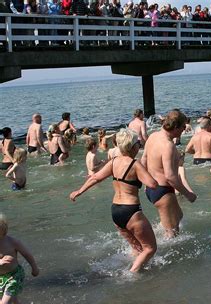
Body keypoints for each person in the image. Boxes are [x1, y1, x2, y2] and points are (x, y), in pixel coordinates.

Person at [70, 129, 158, 273]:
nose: (139, 145)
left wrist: (79, 191)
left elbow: (95, 177)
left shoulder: (114, 162)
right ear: (133, 146)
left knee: (137, 248)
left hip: (116, 211)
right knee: (150, 248)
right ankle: (132, 274)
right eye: (138, 143)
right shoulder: (135, 164)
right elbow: (153, 184)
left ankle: (135, 273)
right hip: (131, 211)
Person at [141, 110, 197, 238]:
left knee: (179, 216)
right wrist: (188, 194)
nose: (184, 130)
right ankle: (160, 255)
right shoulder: (168, 145)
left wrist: (146, 182)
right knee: (172, 234)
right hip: (163, 190)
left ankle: (158, 233)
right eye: (183, 127)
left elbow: (143, 160)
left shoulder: (153, 136)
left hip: (152, 188)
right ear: (176, 127)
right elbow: (170, 177)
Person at [0, 214, 39, 304]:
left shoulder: (12, 242)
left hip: (14, 276)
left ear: (3, 230)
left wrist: (34, 268)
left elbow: (27, 254)